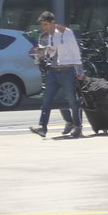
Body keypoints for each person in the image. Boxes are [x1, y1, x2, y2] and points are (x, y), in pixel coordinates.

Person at [29, 11, 84, 139]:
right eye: (42, 25)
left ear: (53, 22)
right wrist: (43, 54)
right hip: (53, 71)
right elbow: (51, 53)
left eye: (46, 24)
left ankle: (77, 126)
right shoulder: (49, 36)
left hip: (67, 71)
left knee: (72, 101)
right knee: (47, 100)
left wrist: (80, 71)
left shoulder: (66, 33)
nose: (44, 27)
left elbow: (76, 52)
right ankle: (43, 127)